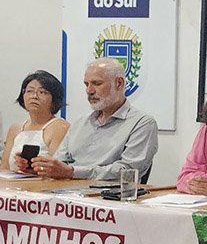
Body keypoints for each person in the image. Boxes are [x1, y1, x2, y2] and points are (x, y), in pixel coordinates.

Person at [27, 58, 158, 181]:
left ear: (119, 83)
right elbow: (60, 162)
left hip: (107, 194)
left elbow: (129, 171)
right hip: (67, 191)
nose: (89, 90)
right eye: (86, 84)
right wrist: (38, 168)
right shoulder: (80, 122)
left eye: (97, 83)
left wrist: (72, 172)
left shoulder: (142, 123)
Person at [0, 71, 69, 172]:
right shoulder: (15, 128)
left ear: (54, 98)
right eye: (29, 91)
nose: (34, 96)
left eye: (42, 92)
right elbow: (4, 168)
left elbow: (56, 170)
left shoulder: (60, 127)